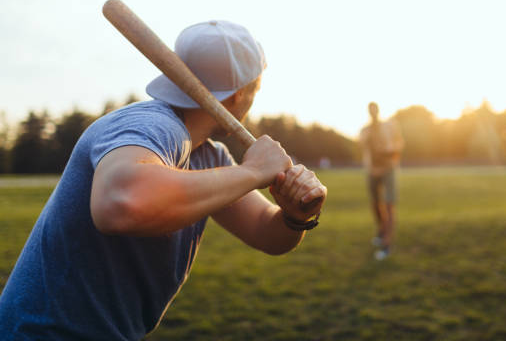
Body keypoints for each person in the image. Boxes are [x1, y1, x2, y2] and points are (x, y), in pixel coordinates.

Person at [0, 20, 327, 340]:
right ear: (236, 96)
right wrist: (253, 171)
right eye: (255, 88)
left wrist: (294, 216)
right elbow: (120, 203)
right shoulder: (152, 126)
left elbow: (265, 232)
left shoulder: (207, 156)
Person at [359, 102, 403, 260]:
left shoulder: (390, 126)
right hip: (372, 170)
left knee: (389, 204)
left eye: (374, 109)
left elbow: (399, 143)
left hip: (388, 168)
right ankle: (382, 230)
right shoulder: (365, 130)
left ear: (378, 110)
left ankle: (387, 245)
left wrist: (391, 151)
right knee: (375, 204)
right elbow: (362, 147)